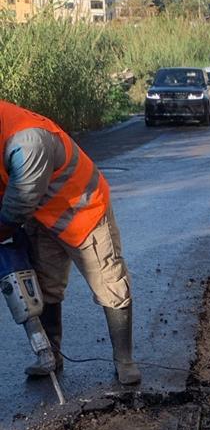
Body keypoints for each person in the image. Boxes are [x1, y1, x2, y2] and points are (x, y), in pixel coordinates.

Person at [0, 100, 141, 385]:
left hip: (83, 211)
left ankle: (124, 361)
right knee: (45, 286)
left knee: (109, 283)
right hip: (42, 217)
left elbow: (18, 206)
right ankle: (51, 355)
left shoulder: (28, 142)